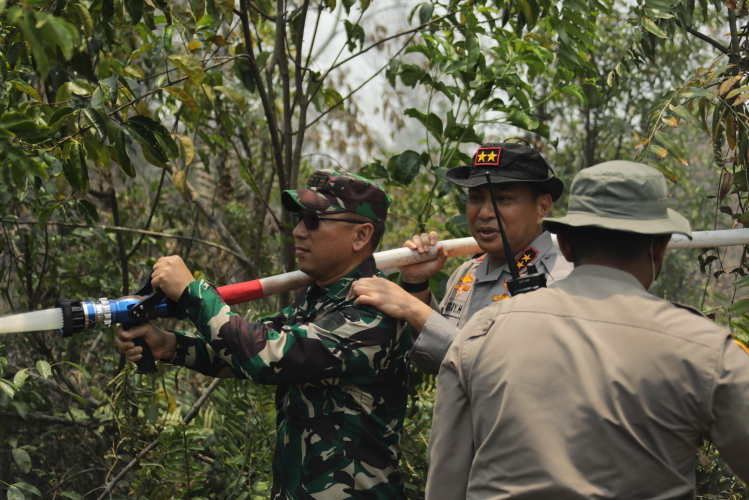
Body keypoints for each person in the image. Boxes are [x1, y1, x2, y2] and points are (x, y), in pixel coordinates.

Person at [426, 161, 749, 499]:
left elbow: (445, 485)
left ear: (563, 242)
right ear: (660, 248)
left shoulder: (479, 335)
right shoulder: (704, 349)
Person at [116, 170, 412, 500]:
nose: (298, 231)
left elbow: (267, 356)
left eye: (313, 221)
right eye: (299, 219)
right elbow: (250, 345)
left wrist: (192, 291)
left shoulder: (371, 311)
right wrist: (172, 345)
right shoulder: (320, 297)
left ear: (360, 236)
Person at [351, 142, 572, 374]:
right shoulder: (468, 272)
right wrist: (416, 285)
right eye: (475, 198)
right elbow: (437, 363)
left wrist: (412, 308)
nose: (485, 212)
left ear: (542, 207)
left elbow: (505, 375)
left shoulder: (559, 282)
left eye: (504, 199)